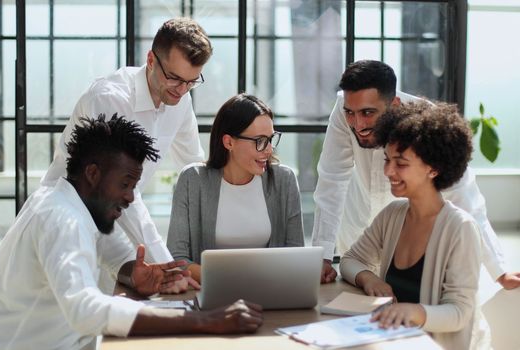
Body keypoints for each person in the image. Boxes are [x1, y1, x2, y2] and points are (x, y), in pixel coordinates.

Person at [0, 116, 263, 350]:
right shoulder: (63, 220)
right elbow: (85, 309)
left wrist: (134, 275)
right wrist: (209, 321)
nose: (130, 197)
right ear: (93, 174)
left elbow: (115, 253)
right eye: (126, 183)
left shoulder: (65, 201)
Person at [313, 60, 520, 289]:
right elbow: (332, 179)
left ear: (395, 104)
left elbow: (465, 197)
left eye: (368, 113)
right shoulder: (345, 111)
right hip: (357, 235)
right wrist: (321, 255)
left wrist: (500, 272)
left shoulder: (426, 123)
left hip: (412, 244)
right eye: (351, 113)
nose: (358, 124)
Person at [40, 17, 212, 266]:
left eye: (192, 81)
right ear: (151, 60)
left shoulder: (180, 101)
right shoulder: (110, 99)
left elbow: (194, 169)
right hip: (67, 219)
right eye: (174, 78)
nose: (182, 89)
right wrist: (165, 263)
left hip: (115, 219)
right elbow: (118, 187)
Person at [340, 102, 485, 349]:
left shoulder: (460, 228)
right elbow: (350, 260)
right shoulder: (393, 215)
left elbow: (460, 311)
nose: (388, 171)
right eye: (387, 160)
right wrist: (369, 279)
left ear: (434, 168)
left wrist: (414, 312)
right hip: (392, 342)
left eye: (401, 163)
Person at [167, 94, 305, 283]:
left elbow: (296, 255)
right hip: (210, 295)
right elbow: (177, 259)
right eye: (260, 141)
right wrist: (233, 280)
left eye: (271, 139)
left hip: (272, 291)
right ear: (229, 142)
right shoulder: (192, 180)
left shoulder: (284, 180)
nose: (269, 150)